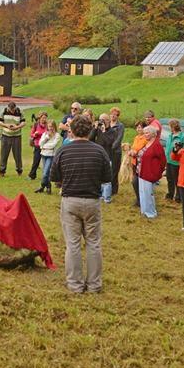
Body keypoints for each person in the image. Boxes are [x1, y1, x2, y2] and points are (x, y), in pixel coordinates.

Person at [50, 115, 112, 293]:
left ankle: (75, 284)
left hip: (70, 200)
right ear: (89, 130)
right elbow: (107, 178)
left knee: (73, 244)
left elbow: (54, 177)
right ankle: (94, 285)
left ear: (73, 130)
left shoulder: (63, 151)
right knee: (93, 243)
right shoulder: (99, 151)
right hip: (92, 200)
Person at [135, 126, 166, 219]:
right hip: (141, 172)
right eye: (144, 133)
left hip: (150, 173)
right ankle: (144, 211)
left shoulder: (156, 145)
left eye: (147, 133)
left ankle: (151, 213)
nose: (145, 134)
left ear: (153, 134)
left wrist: (157, 171)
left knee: (148, 194)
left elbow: (163, 160)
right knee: (142, 193)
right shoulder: (147, 143)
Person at [89, 113, 116, 202]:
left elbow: (108, 142)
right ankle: (100, 194)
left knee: (107, 178)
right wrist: (95, 128)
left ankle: (107, 197)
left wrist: (104, 131)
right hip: (97, 156)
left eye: (103, 119)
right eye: (100, 119)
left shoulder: (112, 131)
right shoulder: (98, 129)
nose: (101, 121)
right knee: (98, 177)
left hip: (107, 157)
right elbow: (90, 138)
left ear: (108, 120)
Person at [0, 102, 25, 177]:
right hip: (6, 135)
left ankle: (19, 170)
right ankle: (2, 171)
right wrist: (6, 125)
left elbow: (23, 122)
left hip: (17, 136)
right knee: (4, 154)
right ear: (8, 108)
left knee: (17, 154)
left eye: (13, 110)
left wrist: (17, 127)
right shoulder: (4, 111)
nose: (12, 111)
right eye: (10, 109)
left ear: (15, 108)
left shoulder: (19, 112)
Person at [35, 120, 61, 194]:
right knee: (45, 172)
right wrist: (47, 137)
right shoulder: (45, 134)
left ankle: (42, 186)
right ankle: (48, 187)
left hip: (51, 155)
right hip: (43, 154)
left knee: (46, 173)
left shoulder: (57, 135)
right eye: (49, 126)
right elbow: (40, 143)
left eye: (52, 126)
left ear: (54, 127)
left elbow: (53, 145)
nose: (50, 128)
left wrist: (44, 146)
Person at [164, 119, 184, 203]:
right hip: (168, 160)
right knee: (169, 178)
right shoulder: (170, 135)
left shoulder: (182, 137)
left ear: (173, 126)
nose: (169, 127)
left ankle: (178, 196)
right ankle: (170, 194)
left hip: (176, 162)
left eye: (170, 126)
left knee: (176, 179)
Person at [128, 121, 148, 207]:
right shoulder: (136, 137)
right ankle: (138, 199)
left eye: (140, 127)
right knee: (135, 181)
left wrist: (135, 152)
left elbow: (143, 150)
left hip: (141, 163)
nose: (138, 129)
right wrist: (131, 151)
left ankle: (141, 199)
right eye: (137, 127)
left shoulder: (146, 138)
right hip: (134, 162)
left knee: (137, 182)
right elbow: (133, 147)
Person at [108, 107, 125, 196]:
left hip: (116, 151)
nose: (112, 116)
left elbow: (119, 138)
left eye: (115, 115)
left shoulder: (120, 126)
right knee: (108, 170)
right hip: (107, 151)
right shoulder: (107, 124)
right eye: (111, 114)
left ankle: (114, 190)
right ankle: (107, 189)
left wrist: (112, 147)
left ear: (117, 116)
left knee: (114, 171)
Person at [28, 112, 49, 180]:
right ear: (39, 118)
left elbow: (51, 133)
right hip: (37, 145)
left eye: (45, 118)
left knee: (46, 162)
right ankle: (32, 175)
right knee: (36, 161)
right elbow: (31, 134)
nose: (44, 119)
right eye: (42, 118)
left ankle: (46, 176)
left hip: (46, 146)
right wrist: (35, 134)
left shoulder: (48, 125)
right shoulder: (36, 125)